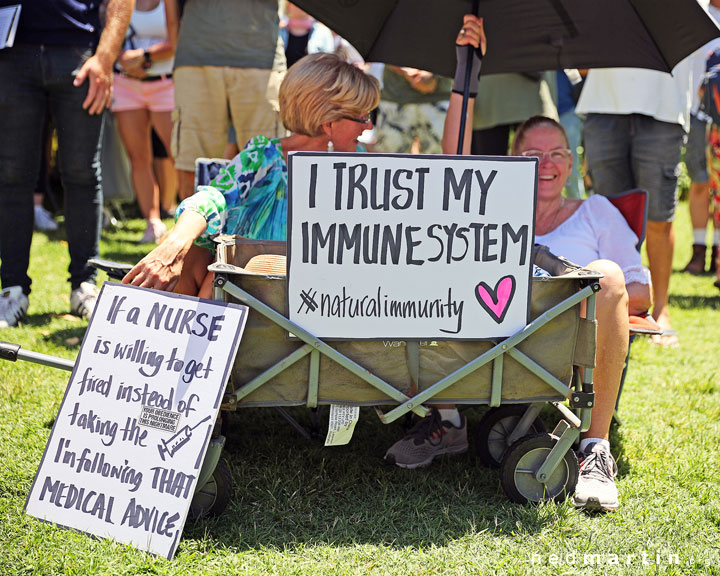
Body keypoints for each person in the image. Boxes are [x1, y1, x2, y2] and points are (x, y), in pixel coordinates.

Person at [385, 15, 652, 513]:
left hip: (570, 334)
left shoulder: (597, 212)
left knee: (609, 272)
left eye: (556, 153)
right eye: (533, 153)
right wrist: (467, 71)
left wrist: (568, 288)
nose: (546, 163)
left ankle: (595, 450)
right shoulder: (496, 206)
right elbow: (454, 163)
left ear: (571, 164)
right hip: (491, 330)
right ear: (514, 159)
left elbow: (639, 295)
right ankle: (450, 421)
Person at [122, 52, 380, 295]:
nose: (368, 125)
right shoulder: (265, 158)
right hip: (258, 291)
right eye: (362, 115)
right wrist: (174, 244)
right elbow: (213, 198)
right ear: (329, 122)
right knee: (202, 257)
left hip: (328, 292)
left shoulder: (359, 164)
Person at [0, 0, 133, 329]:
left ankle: (84, 285)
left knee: (82, 174)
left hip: (80, 52)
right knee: (12, 175)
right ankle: (11, 290)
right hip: (12, 53)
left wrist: (104, 57)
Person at [575, 56, 695, 348]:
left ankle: (661, 310)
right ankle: (616, 309)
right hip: (602, 105)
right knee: (609, 217)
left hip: (664, 106)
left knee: (658, 218)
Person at [172, 0, 287, 202]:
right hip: (196, 55)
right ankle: (192, 232)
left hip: (261, 58)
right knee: (192, 162)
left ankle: (263, 233)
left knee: (268, 163)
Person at [112, 0, 179, 244]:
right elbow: (108, 37)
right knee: (138, 157)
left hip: (165, 84)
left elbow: (176, 42)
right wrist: (125, 60)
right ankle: (152, 223)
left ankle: (189, 223)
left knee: (178, 156)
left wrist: (143, 56)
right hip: (125, 84)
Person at [684, 0, 720, 276]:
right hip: (697, 113)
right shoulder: (694, 13)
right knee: (699, 182)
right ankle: (699, 250)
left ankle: (718, 253)